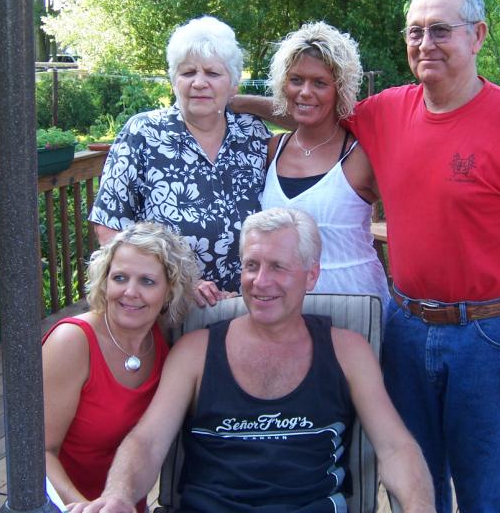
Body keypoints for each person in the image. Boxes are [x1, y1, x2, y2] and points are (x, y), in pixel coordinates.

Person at [232, 0, 500, 513]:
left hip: (489, 336)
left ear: (478, 35)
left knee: (483, 493)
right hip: (406, 330)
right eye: (415, 31)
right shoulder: (387, 112)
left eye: (440, 30)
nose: (425, 43)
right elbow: (307, 106)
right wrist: (220, 99)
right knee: (413, 485)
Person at [69, 208, 435, 513]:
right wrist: (119, 494)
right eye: (251, 265)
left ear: (311, 275)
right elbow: (147, 441)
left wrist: (419, 507)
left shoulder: (347, 352)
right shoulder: (196, 352)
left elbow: (396, 447)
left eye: (278, 267)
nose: (260, 281)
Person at [88, 16, 271, 306]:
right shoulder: (144, 132)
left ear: (233, 85)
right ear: (174, 80)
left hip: (246, 305)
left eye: (213, 73)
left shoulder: (252, 134)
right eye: (188, 72)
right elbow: (109, 225)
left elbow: (311, 118)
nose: (199, 83)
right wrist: (179, 283)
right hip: (166, 308)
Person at [42, 222, 198, 510]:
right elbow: (38, 452)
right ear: (105, 282)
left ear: (170, 290)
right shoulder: (72, 342)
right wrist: (84, 507)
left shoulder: (162, 338)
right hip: (65, 505)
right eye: (120, 278)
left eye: (147, 281)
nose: (130, 292)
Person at [261, 21, 391, 310]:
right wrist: (234, 102)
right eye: (296, 80)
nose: (305, 92)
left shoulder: (360, 155)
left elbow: (407, 222)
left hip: (354, 306)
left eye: (319, 83)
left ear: (339, 89)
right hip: (285, 311)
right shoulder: (273, 149)